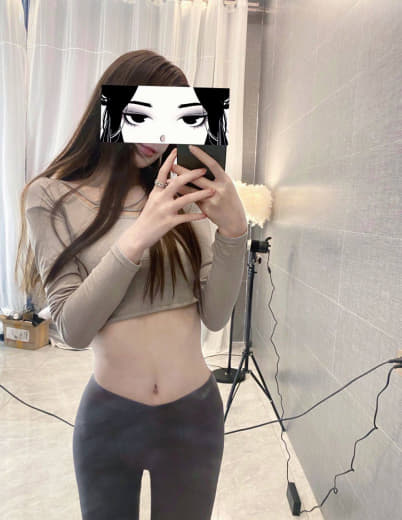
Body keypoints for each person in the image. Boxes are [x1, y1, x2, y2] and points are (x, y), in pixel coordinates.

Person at [18, 49, 247, 520]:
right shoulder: (51, 196)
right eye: (146, 114)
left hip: (194, 417)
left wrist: (234, 231)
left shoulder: (181, 190)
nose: (158, 137)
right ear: (114, 108)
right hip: (110, 421)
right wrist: (140, 234)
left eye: (174, 120)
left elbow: (215, 315)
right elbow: (71, 329)